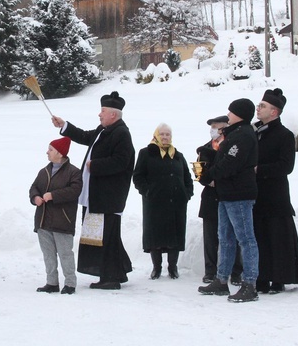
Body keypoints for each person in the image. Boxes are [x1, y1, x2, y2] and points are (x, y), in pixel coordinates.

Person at [51, 91, 134, 290]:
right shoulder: (103, 130)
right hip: (96, 196)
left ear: (113, 114)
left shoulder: (121, 133)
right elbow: (85, 136)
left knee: (106, 238)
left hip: (108, 197)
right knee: (99, 238)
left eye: (102, 111)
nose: (99, 114)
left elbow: (123, 162)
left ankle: (111, 278)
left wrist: (95, 165)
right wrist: (64, 126)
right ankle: (114, 273)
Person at [197, 98, 260, 302]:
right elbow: (223, 158)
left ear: (240, 114)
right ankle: (221, 280)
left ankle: (250, 283)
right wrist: (208, 156)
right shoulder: (234, 134)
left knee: (245, 238)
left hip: (239, 194)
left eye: (231, 112)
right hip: (226, 194)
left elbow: (231, 163)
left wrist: (210, 175)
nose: (228, 115)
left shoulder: (244, 135)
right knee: (225, 238)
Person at [253, 88, 298, 294]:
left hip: (275, 195)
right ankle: (261, 277)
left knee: (276, 238)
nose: (258, 108)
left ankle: (278, 278)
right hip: (256, 195)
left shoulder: (285, 135)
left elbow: (286, 166)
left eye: (263, 106)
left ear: (274, 112)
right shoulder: (255, 132)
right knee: (260, 237)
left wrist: (259, 169)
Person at [133, 123, 194, 280]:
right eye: (162, 134)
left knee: (175, 235)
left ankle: (173, 268)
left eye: (168, 134)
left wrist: (187, 193)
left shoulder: (178, 155)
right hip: (154, 203)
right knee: (156, 236)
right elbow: (138, 176)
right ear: (156, 135)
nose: (165, 137)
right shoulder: (146, 153)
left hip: (176, 202)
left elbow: (187, 176)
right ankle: (156, 267)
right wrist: (147, 191)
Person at [29, 137, 83, 295]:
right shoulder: (44, 171)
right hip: (43, 220)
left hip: (62, 221)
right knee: (48, 254)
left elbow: (75, 191)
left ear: (60, 153)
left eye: (51, 149)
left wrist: (53, 195)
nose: (47, 152)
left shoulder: (74, 172)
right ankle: (51, 282)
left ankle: (70, 283)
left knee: (65, 253)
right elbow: (34, 187)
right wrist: (35, 198)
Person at [196, 115, 243, 285]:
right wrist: (208, 180)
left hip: (230, 196)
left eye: (217, 127)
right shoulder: (205, 148)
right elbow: (199, 172)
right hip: (210, 197)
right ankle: (211, 271)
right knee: (210, 237)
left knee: (234, 236)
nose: (213, 130)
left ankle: (236, 271)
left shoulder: (233, 145)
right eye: (212, 127)